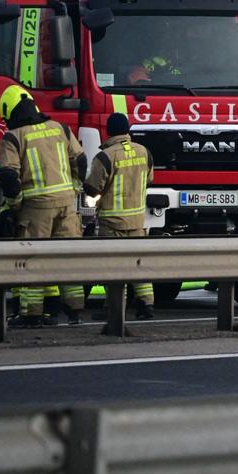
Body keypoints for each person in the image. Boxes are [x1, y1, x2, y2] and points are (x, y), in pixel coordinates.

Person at [0, 85, 87, 326]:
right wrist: (75, 187)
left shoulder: (13, 137)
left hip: (35, 208)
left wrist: (14, 205)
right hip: (67, 205)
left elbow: (8, 175)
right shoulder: (60, 128)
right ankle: (74, 311)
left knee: (33, 260)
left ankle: (32, 314)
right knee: (67, 258)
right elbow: (80, 159)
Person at [83, 112, 155, 322]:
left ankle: (114, 306)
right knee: (139, 264)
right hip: (137, 221)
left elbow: (92, 188)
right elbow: (149, 179)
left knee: (114, 266)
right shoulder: (144, 152)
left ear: (108, 131)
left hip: (112, 221)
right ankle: (146, 304)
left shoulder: (106, 155)